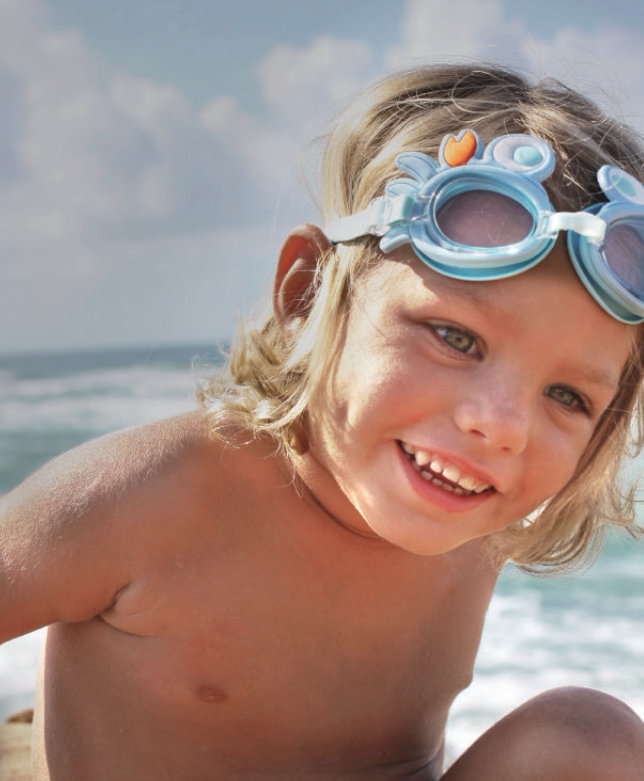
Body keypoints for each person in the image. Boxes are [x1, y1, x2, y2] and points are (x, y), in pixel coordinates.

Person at [2, 62, 644, 781]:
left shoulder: (470, 535)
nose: (502, 426)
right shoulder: (156, 497)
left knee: (592, 736)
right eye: (455, 338)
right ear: (307, 294)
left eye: (567, 396)